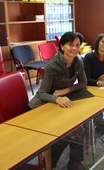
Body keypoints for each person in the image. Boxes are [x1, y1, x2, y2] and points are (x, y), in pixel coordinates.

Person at [28, 31, 87, 169]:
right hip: (42, 106)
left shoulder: (78, 61)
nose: (74, 48)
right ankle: (49, 165)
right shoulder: (52, 65)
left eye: (77, 45)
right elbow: (41, 93)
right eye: (70, 45)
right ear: (61, 46)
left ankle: (74, 163)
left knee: (78, 130)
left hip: (59, 102)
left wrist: (66, 91)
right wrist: (56, 99)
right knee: (69, 133)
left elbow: (83, 83)